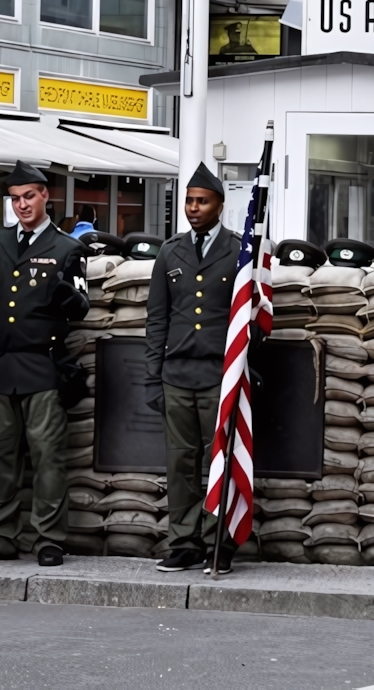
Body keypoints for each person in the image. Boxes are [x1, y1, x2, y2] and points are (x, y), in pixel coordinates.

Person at [0, 162, 89, 567]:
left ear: (45, 196)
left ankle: (48, 539)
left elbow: (81, 303)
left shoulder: (66, 248)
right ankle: (1, 536)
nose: (22, 205)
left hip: (43, 365)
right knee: (0, 457)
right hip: (2, 366)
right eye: (15, 198)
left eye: (29, 196)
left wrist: (67, 297)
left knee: (47, 457)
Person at [144, 163, 244, 576]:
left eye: (201, 201)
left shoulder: (240, 249)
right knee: (181, 464)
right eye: (188, 201)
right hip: (178, 375)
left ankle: (219, 540)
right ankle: (183, 542)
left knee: (222, 462)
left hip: (221, 376)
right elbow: (157, 318)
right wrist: (154, 375)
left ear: (220, 204)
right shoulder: (171, 251)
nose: (193, 208)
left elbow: (250, 318)